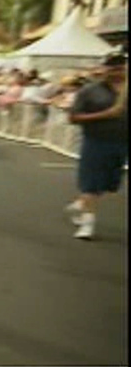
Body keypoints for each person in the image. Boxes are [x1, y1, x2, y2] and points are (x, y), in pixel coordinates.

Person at [63, 53, 128, 240]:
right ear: (105, 69)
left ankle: (81, 203)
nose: (116, 72)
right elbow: (73, 117)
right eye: (112, 68)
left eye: (120, 68)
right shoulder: (90, 91)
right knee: (91, 183)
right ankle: (87, 224)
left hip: (122, 143)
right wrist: (106, 114)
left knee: (108, 184)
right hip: (96, 141)